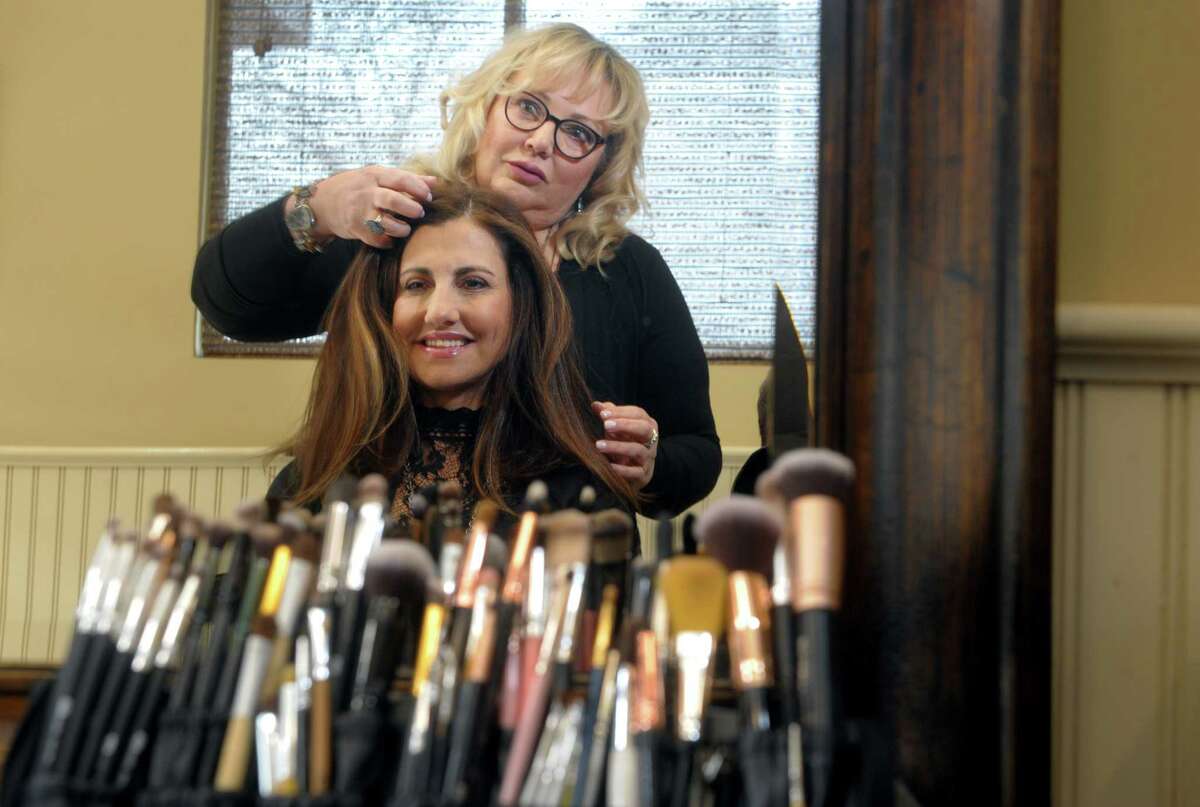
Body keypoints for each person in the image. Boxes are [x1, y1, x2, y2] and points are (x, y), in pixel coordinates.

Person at [193, 23, 720, 516]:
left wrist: (649, 461)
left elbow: (694, 455)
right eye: (528, 107)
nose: (540, 141)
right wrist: (317, 208)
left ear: (602, 164)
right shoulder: (392, 230)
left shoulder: (627, 272)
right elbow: (228, 306)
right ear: (486, 107)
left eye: (578, 133)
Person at [272, 182, 636, 523]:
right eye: (417, 284)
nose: (439, 311)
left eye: (473, 283)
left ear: (521, 305)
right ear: (385, 306)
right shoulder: (312, 483)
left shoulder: (581, 495)